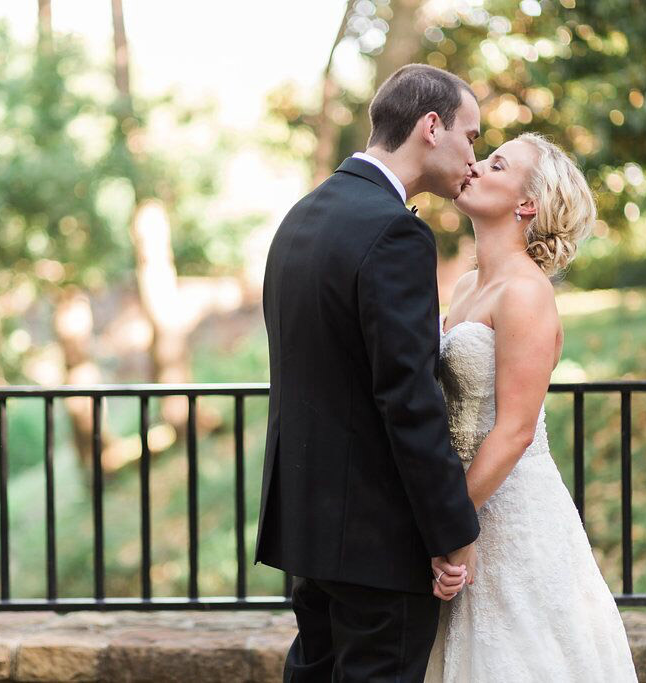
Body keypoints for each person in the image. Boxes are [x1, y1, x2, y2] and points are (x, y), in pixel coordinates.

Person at [256, 64, 483, 682]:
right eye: (472, 136)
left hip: (309, 527)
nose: (473, 156)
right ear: (430, 127)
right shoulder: (394, 233)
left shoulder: (301, 218)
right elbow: (407, 398)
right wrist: (449, 532)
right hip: (377, 539)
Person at [423, 133, 638, 681]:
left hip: (509, 509)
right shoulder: (469, 285)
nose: (474, 165)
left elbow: (515, 431)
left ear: (528, 205)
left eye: (496, 164)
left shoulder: (526, 293)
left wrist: (449, 526)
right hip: (466, 503)